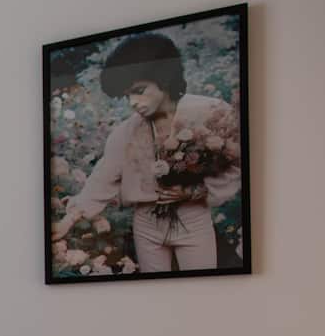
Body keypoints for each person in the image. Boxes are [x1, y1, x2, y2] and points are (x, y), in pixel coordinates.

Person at [51, 33, 241, 272]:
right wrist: (68, 220)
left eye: (139, 90)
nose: (132, 102)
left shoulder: (209, 112)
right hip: (146, 225)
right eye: (126, 95)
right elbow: (102, 178)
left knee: (202, 287)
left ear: (164, 77)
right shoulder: (125, 132)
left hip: (193, 219)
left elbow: (237, 162)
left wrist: (196, 190)